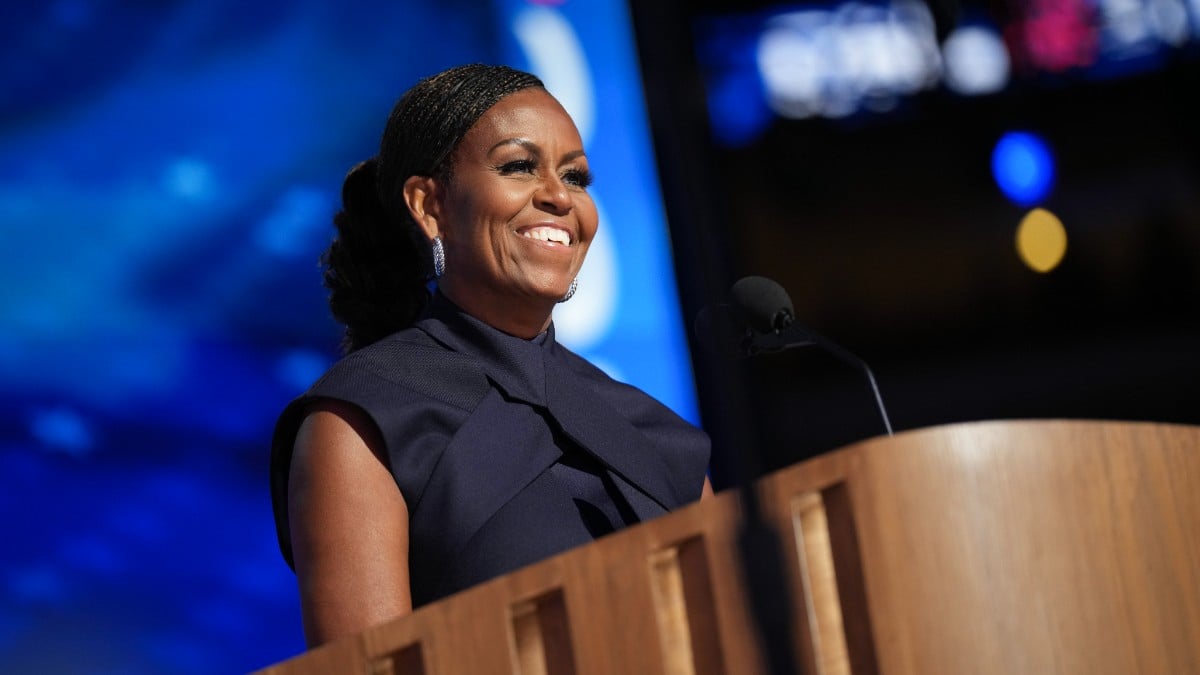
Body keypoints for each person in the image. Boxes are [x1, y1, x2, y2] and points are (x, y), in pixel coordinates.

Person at [269, 64, 712, 647]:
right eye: (518, 166)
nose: (559, 196)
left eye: (576, 176)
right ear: (430, 207)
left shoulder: (650, 429)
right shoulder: (362, 421)